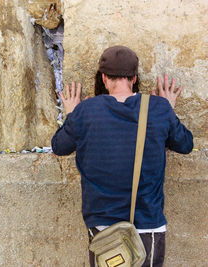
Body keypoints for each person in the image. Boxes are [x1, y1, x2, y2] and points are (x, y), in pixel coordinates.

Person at [51, 46, 193, 267]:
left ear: (105, 78)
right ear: (134, 78)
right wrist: (168, 109)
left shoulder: (85, 110)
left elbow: (59, 146)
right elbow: (185, 144)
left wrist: (71, 113)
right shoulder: (158, 108)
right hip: (148, 226)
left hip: (104, 231)